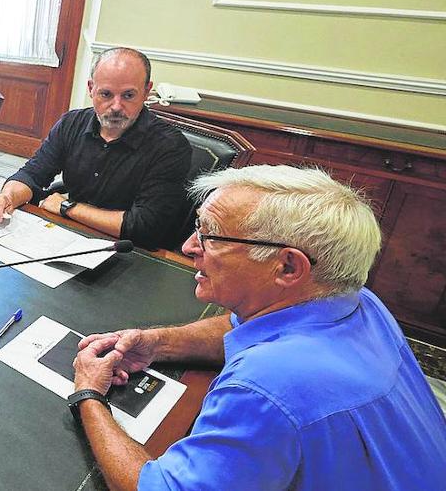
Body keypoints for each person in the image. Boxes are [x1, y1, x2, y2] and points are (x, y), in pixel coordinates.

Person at [69, 165, 446, 491]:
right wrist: (157, 344)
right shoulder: (357, 300)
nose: (188, 246)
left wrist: (88, 394)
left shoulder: (266, 388)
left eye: (210, 236)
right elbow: (248, 325)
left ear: (287, 267)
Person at [0, 47, 191, 249]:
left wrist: (68, 207)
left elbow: (145, 227)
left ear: (146, 91)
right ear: (91, 89)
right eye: (106, 94)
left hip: (132, 252)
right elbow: (32, 174)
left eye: (128, 95)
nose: (116, 106)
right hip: (71, 237)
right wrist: (7, 197)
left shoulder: (169, 146)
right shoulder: (71, 123)